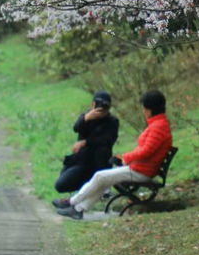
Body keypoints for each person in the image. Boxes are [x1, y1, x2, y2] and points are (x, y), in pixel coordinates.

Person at [57, 89, 172, 220]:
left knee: (100, 176)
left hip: (142, 172)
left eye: (144, 108)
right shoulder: (159, 124)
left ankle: (72, 203)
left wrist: (126, 158)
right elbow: (146, 150)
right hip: (141, 168)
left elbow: (146, 151)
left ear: (149, 110)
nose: (143, 111)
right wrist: (126, 158)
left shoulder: (158, 127)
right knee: (103, 179)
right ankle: (78, 209)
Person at [53, 91, 119, 208]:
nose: (101, 109)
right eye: (99, 104)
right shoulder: (86, 117)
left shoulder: (112, 121)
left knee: (102, 150)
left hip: (99, 164)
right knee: (60, 185)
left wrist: (85, 142)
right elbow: (76, 128)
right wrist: (87, 118)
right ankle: (86, 189)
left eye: (105, 106)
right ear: (93, 104)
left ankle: (98, 190)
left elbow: (108, 140)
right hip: (82, 161)